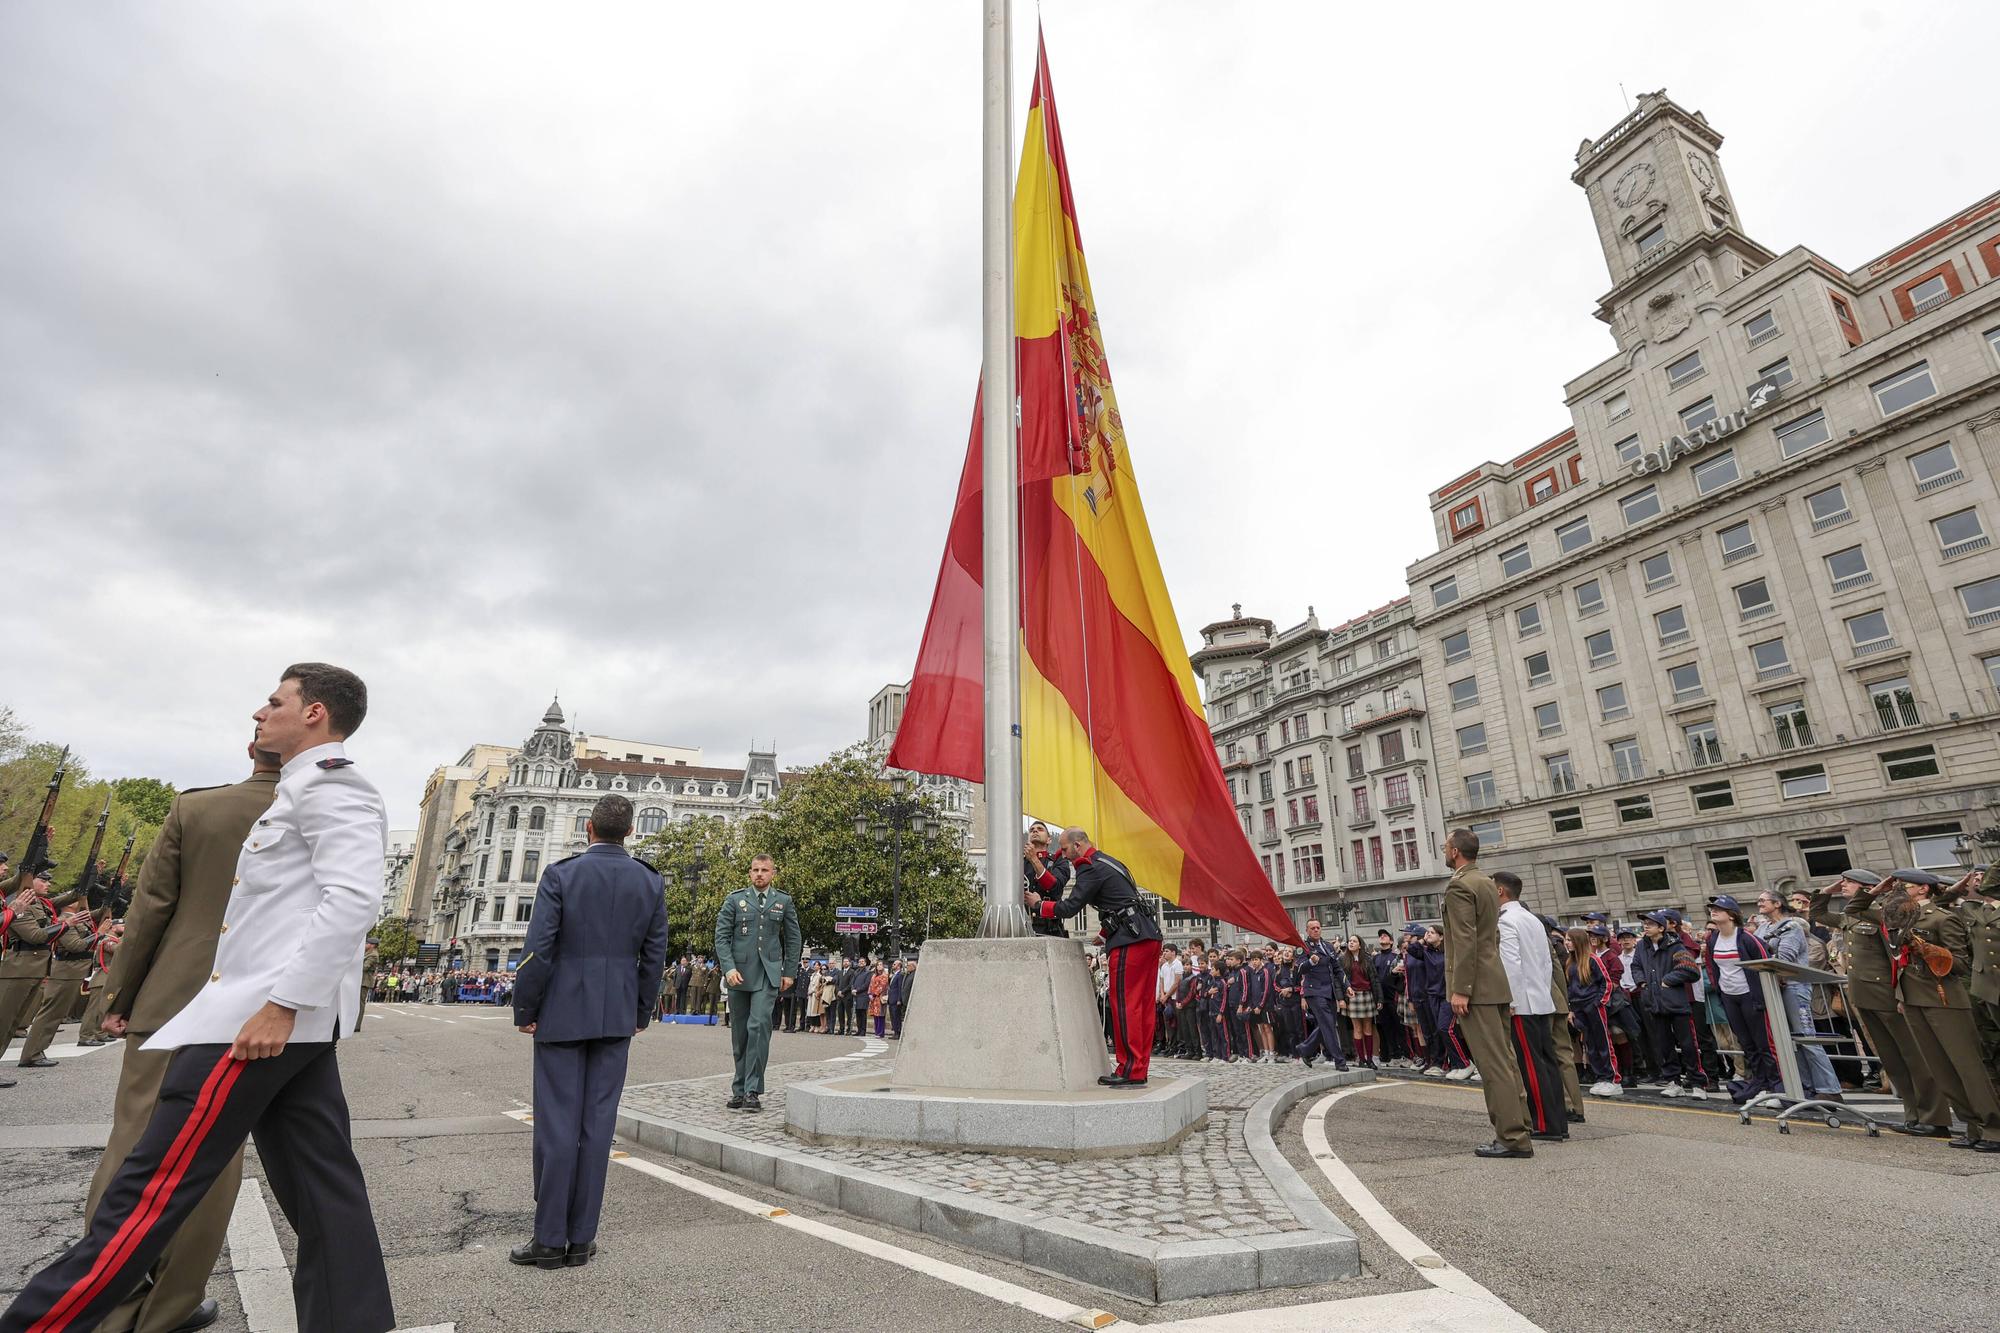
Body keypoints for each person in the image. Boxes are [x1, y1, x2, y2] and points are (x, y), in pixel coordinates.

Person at [2, 663, 396, 1333]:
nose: (259, 712)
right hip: (280, 1024)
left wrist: (280, 1002)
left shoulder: (331, 785)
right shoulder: (303, 787)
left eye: (275, 701)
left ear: (314, 714)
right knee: (327, 1195)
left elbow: (354, 898)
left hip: (253, 1022)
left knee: (146, 1194)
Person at [75, 743, 281, 1333]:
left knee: (132, 1149)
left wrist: (120, 998)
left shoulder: (199, 810)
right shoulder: (324, 814)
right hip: (253, 1011)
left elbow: (151, 910)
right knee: (213, 1162)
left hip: (172, 998)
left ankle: (106, 1304)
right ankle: (170, 1307)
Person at [510, 793, 669, 1269]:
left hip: (561, 1012)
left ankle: (548, 1241)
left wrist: (526, 1007)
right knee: (597, 1128)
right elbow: (654, 956)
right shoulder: (649, 881)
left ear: (588, 829)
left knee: (557, 1126)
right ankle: (581, 1239)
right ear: (630, 834)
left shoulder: (561, 875)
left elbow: (539, 948)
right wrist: (640, 1011)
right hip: (616, 1014)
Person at [1023, 826, 1163, 1086]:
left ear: (1078, 845)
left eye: (1065, 849)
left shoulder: (1088, 866)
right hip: (1147, 935)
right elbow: (1123, 899)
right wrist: (1104, 931)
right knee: (1143, 1007)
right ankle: (1139, 1066)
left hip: (1129, 941)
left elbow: (1070, 906)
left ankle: (1129, 1069)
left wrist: (1038, 905)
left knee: (1125, 1005)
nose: (1063, 855)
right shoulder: (1109, 861)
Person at [1877, 869, 2000, 1151]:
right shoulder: (1899, 918)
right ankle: (1972, 1126)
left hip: (1944, 1000)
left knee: (1967, 1067)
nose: (1899, 890)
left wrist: (1929, 950)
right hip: (1912, 998)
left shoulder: (1943, 918)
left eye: (1905, 885)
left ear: (1923, 889)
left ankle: (1993, 1128)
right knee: (1942, 1069)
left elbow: (1959, 964)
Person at [1441, 828, 1533, 1159]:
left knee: (1492, 1064)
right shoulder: (1485, 882)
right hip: (1494, 982)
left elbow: (1464, 941)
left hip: (1476, 987)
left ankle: (1511, 1137)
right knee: (1506, 1060)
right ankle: (1521, 1123)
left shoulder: (1460, 886)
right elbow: (1489, 937)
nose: (1444, 849)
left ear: (1455, 852)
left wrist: (1461, 989)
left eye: (1446, 846)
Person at [714, 854, 801, 1111]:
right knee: (740, 1034)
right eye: (755, 870)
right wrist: (728, 968)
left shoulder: (783, 901)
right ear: (749, 873)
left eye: (765, 870)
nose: (759, 874)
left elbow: (793, 938)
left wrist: (789, 971)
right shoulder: (735, 900)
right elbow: (722, 937)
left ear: (773, 873)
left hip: (768, 973)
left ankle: (752, 1090)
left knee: (759, 1028)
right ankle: (739, 1089)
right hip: (738, 974)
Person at [1491, 871, 1565, 1142]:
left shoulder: (1507, 921)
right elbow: (1547, 962)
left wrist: (1511, 1000)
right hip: (1540, 997)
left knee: (1531, 1065)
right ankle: (1559, 1121)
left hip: (1522, 1002)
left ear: (1500, 891)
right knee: (1547, 1062)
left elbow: (1511, 964)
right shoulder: (1531, 919)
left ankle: (1544, 1123)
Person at [1754, 888, 1842, 1101]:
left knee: (1806, 1037)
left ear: (1777, 904)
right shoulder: (1762, 928)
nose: (1759, 904)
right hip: (1772, 987)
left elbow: (1786, 957)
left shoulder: (1791, 926)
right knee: (1788, 1041)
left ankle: (1829, 1089)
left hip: (1793, 986)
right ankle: (1803, 1087)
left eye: (1763, 900)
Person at [1701, 894, 1780, 1098]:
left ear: (1732, 915)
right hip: (1729, 997)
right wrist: (1720, 990)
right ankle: (1759, 1082)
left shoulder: (1747, 938)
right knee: (1746, 1042)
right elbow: (1712, 967)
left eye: (1719, 908)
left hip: (1751, 996)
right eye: (1712, 908)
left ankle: (1776, 1085)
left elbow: (1766, 965)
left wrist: (1761, 996)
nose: (1714, 911)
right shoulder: (1713, 939)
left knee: (1763, 1043)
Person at [1631, 911, 1709, 1099]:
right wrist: (1643, 983)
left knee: (1688, 1044)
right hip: (1654, 1003)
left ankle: (1698, 1083)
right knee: (1663, 1045)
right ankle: (1673, 1081)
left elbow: (1691, 970)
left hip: (1676, 1002)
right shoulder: (1642, 946)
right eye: (1644, 924)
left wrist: (1668, 980)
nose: (1646, 926)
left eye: (1650, 924)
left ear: (1661, 928)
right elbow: (1636, 966)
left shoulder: (1675, 945)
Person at [1565, 927, 1623, 1098]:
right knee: (1590, 1045)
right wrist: (1571, 1009)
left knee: (1603, 1042)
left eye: (1569, 940)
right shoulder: (1570, 962)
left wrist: (1597, 1003)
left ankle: (1613, 1079)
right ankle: (1600, 1077)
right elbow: (1570, 987)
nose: (1566, 943)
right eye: (1566, 940)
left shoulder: (1592, 960)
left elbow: (1606, 983)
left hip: (1593, 1006)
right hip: (1578, 1008)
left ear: (1578, 941)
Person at [1023, 821, 1070, 938]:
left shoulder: (1058, 861)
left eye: (1040, 829)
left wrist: (1034, 859)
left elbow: (1054, 886)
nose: (1035, 831)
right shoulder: (1019, 863)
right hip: (1023, 927)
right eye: (1031, 830)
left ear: (1049, 840)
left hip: (1050, 929)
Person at [1340, 936, 1378, 1069]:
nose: (1351, 943)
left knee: (1368, 1027)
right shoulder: (1343, 960)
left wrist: (1379, 998)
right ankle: (1361, 1059)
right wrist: (1341, 998)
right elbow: (1339, 981)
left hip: (1367, 994)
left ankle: (1370, 1059)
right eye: (1349, 941)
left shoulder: (1367, 959)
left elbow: (1375, 979)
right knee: (1357, 1028)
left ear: (1360, 945)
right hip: (1352, 995)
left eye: (1354, 941)